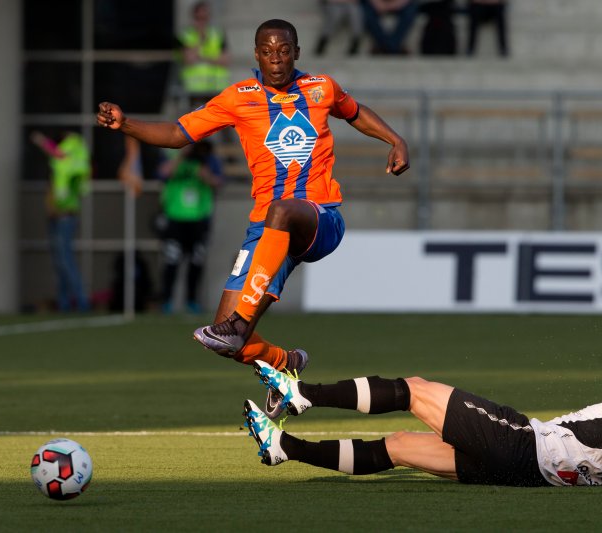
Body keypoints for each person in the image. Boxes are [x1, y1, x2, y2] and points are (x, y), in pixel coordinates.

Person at [96, 19, 409, 419]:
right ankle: (284, 363)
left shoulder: (321, 88)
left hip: (321, 219)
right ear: (256, 54)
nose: (276, 59)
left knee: (279, 218)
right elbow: (177, 134)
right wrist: (125, 124)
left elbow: (355, 111)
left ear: (296, 52)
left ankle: (242, 320)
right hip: (266, 229)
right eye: (267, 51)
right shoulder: (237, 98)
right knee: (223, 338)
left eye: (283, 50)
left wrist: (395, 140)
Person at [243, 335, 602, 486]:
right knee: (400, 448)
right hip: (523, 476)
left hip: (523, 443)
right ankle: (283, 447)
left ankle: (301, 394)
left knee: (414, 387)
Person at [158, 141, 223, 314]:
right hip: (175, 218)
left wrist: (203, 168)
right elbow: (164, 173)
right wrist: (182, 155)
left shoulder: (209, 159)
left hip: (199, 218)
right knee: (172, 261)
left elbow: (217, 182)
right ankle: (167, 301)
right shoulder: (174, 157)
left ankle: (192, 301)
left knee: (196, 262)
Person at [30, 130, 91, 312]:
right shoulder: (58, 168)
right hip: (55, 217)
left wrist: (42, 141)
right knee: (59, 262)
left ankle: (81, 301)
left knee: (66, 261)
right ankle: (63, 302)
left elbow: (61, 156)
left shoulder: (71, 160)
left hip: (66, 217)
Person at [177, 1, 230, 106]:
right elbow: (188, 59)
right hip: (193, 89)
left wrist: (202, 57)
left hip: (216, 87)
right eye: (199, 19)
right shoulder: (185, 35)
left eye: (204, 18)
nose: (202, 22)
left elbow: (225, 60)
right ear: (193, 17)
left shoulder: (217, 33)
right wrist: (200, 40)